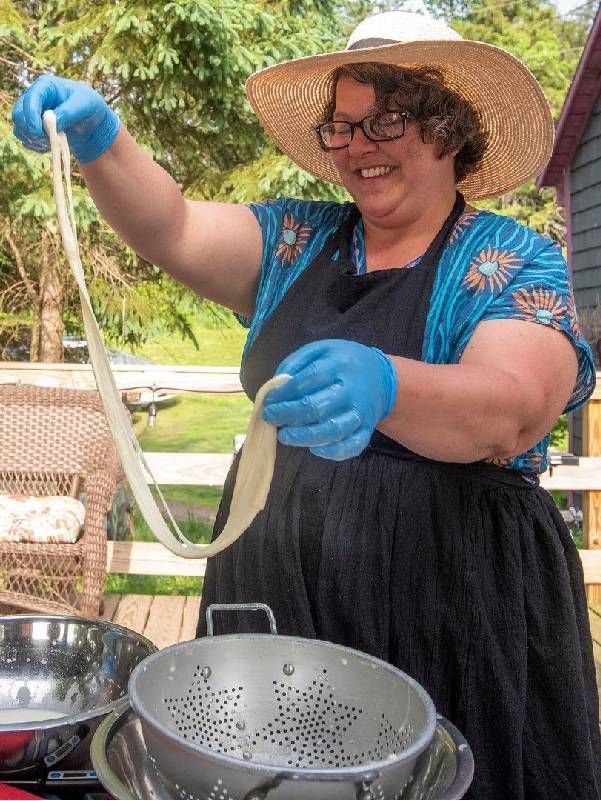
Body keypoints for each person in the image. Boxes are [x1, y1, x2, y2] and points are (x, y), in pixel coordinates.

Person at [12, 10, 601, 798]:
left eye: (385, 120)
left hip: (450, 604)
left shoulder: (506, 259)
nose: (357, 146)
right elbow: (175, 227)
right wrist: (101, 141)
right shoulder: (297, 240)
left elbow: (515, 405)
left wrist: (388, 383)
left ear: (450, 131)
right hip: (278, 600)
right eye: (341, 127)